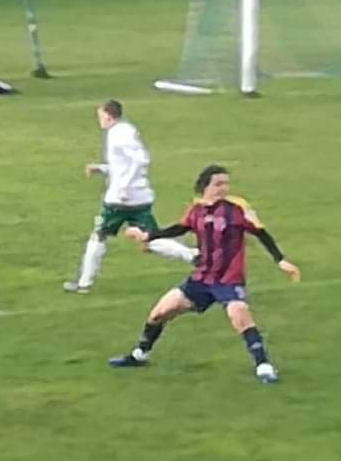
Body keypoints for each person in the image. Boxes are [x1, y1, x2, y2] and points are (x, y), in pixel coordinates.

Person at [112, 165, 300, 384]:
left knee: (239, 315)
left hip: (228, 279)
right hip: (202, 278)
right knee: (160, 312)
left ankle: (263, 366)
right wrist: (148, 236)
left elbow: (261, 233)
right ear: (205, 186)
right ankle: (139, 355)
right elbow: (180, 228)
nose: (224, 188)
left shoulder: (237, 208)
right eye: (218, 184)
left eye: (226, 183)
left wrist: (280, 260)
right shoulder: (196, 210)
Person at [64, 99, 197, 294]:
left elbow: (141, 160)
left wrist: (125, 187)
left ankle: (84, 283)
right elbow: (123, 165)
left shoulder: (118, 134)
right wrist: (101, 168)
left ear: (108, 116)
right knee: (150, 237)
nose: (99, 120)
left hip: (120, 199)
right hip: (140, 198)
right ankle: (192, 255)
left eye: (100, 116)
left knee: (99, 236)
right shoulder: (125, 130)